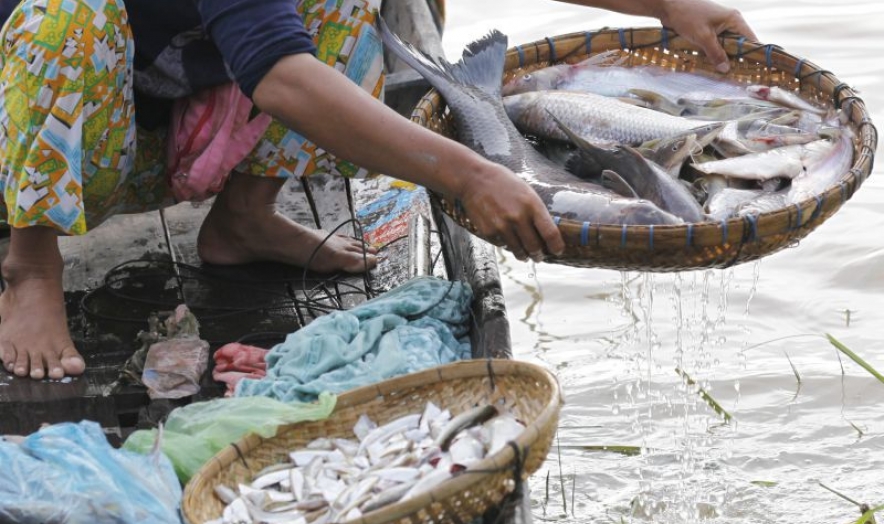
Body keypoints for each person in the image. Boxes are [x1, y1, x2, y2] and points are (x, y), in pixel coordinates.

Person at [0, 0, 758, 381]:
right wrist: (465, 171)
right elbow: (279, 75)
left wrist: (668, 5)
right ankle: (31, 269)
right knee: (62, 13)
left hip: (157, 129)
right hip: (36, 153)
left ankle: (244, 219)